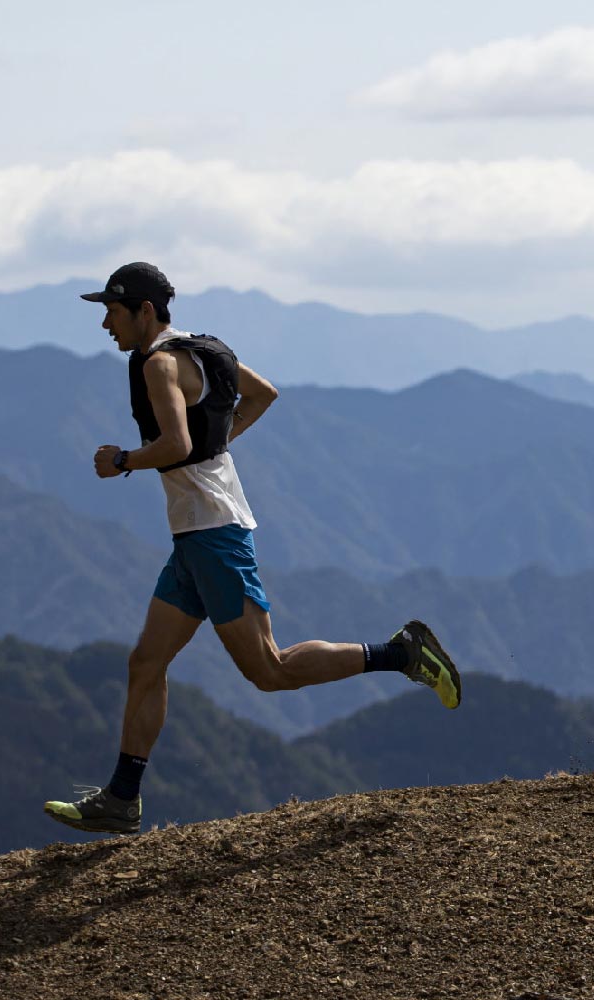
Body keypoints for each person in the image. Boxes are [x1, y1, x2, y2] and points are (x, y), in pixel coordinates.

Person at [43, 262, 461, 835]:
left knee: (271, 670)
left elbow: (176, 443)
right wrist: (216, 444)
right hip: (195, 536)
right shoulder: (198, 350)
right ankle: (122, 797)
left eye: (112, 312)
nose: (105, 325)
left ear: (144, 311)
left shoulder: (160, 364)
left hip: (213, 534)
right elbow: (262, 395)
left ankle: (402, 653)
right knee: (146, 662)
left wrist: (122, 461)